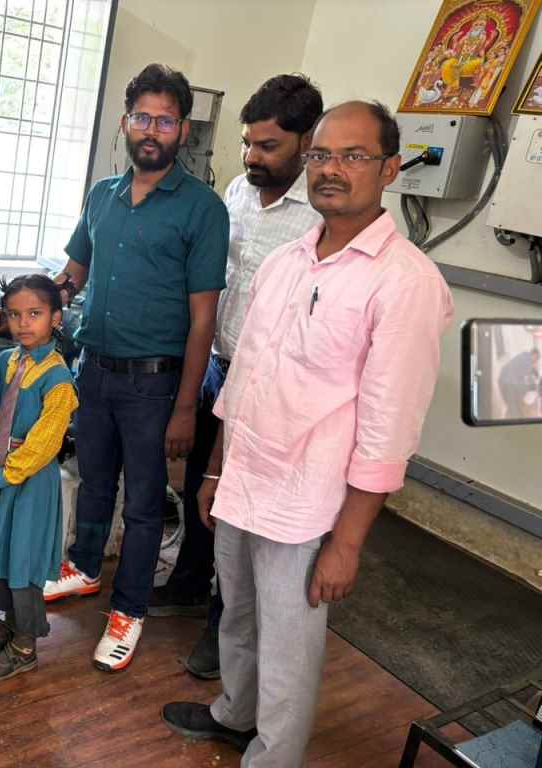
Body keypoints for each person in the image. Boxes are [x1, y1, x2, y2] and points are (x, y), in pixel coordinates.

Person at [161, 101, 453, 766]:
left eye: (353, 156)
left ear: (389, 169)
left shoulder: (404, 282)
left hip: (307, 502)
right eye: (321, 155)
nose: (331, 169)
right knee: (236, 609)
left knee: (289, 638)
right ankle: (235, 713)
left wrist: (346, 544)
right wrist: (216, 470)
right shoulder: (287, 261)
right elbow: (245, 377)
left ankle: (275, 754)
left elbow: (388, 431)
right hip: (245, 477)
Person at [32, 62, 228, 673]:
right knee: (94, 481)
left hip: (154, 383)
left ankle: (129, 609)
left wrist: (186, 407)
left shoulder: (203, 209)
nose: (152, 130)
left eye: (165, 121)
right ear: (125, 122)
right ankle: (85, 566)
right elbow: (74, 274)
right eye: (143, 117)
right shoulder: (102, 196)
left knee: (144, 502)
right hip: (94, 370)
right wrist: (35, 303)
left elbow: (204, 320)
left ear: (183, 130)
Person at [149, 75, 324, 685]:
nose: (252, 156)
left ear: (307, 142)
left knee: (242, 511)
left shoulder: (318, 216)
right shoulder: (237, 193)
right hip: (219, 365)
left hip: (273, 387)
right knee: (204, 486)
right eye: (249, 143)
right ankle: (189, 581)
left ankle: (226, 627)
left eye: (268, 146)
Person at [0, 275, 79, 681]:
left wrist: (1, 476)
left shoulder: (58, 380)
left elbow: (44, 445)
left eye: (34, 313)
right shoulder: (3, 363)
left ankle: (25, 645)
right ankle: (12, 624)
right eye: (14, 315)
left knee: (23, 563)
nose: (23, 323)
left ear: (56, 318)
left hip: (28, 484)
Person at [498, 348, 541, 418]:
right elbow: (526, 380)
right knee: (514, 408)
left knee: (513, 407)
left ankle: (508, 419)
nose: (536, 361)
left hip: (504, 381)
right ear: (534, 354)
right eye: (536, 358)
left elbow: (523, 378)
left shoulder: (524, 357)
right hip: (508, 383)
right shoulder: (527, 359)